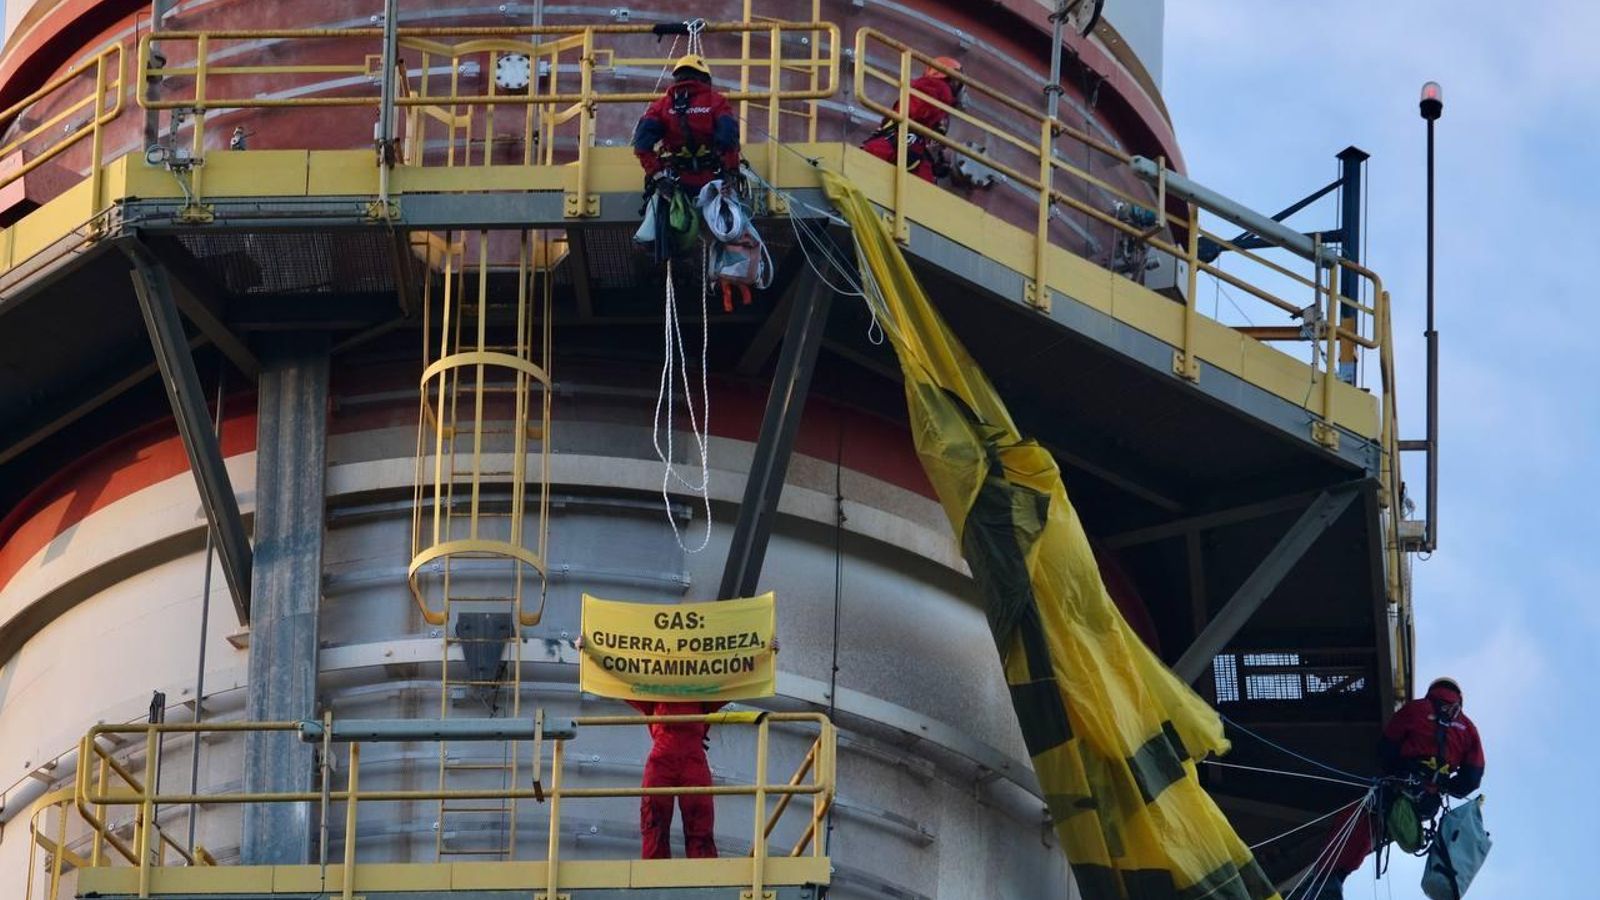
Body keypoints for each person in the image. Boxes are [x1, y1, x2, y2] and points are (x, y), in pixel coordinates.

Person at [574, 633, 778, 859]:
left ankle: (704, 876)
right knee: (655, 821)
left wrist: (765, 655)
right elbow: (619, 681)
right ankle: (655, 876)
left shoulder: (701, 694)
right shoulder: (655, 694)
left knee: (699, 821)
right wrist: (588, 654)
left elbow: (735, 679)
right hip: (666, 762)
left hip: (689, 762)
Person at [1317, 677, 1485, 899]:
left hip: (1399, 788)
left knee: (1363, 818)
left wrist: (1400, 770)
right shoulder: (1468, 729)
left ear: (1432, 692)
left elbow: (1386, 748)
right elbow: (1472, 777)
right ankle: (1332, 881)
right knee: (1378, 826)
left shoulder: (1416, 709)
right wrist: (1443, 785)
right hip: (1427, 804)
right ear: (1459, 698)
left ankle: (1330, 879)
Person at [632, 54, 742, 194]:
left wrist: (658, 176)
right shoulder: (717, 102)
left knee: (659, 212)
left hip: (674, 182)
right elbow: (729, 138)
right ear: (705, 78)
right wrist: (732, 171)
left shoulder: (660, 106)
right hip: (713, 179)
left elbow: (641, 145)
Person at [861, 57, 964, 183]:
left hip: (892, 148)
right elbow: (917, 111)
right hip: (902, 150)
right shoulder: (938, 88)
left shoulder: (936, 94)